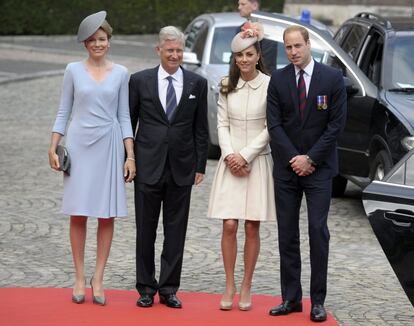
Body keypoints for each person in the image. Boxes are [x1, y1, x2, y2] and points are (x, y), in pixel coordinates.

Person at [48, 11, 135, 306]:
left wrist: (130, 155)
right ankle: (78, 276)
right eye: (92, 40)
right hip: (80, 144)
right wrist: (53, 145)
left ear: (109, 42)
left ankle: (98, 277)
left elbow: (124, 116)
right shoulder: (72, 70)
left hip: (109, 145)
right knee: (78, 211)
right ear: (85, 44)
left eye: (102, 39)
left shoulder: (122, 73)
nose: (98, 44)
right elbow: (64, 110)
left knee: (106, 213)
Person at [266, 25, 346, 322]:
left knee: (317, 232)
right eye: (288, 47)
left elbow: (336, 126)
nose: (294, 52)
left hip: (319, 170)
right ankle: (291, 298)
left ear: (309, 44)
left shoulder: (332, 78)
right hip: (287, 171)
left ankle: (318, 301)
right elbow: (274, 125)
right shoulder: (278, 78)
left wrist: (310, 158)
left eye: (298, 46)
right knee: (287, 235)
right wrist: (293, 159)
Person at [129, 26, 208, 309]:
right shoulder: (139, 81)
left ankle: (169, 288)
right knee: (145, 230)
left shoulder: (196, 84)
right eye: (170, 50)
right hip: (147, 166)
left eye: (178, 51)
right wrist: (129, 159)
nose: (174, 55)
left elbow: (201, 128)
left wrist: (200, 165)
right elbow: (129, 123)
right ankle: (146, 287)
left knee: (176, 231)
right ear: (159, 50)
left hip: (181, 168)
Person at [208, 22, 275, 311]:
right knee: (229, 224)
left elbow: (271, 125)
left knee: (251, 227)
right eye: (239, 56)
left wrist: (246, 155)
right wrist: (231, 155)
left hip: (256, 160)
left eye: (249, 54)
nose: (244, 60)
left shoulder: (271, 85)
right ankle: (229, 283)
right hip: (230, 160)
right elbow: (221, 123)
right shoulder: (226, 85)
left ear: (258, 55)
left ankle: (247, 284)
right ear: (234, 58)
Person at [237, 0, 277, 72]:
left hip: (262, 77)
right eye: (239, 4)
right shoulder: (240, 28)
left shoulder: (267, 29)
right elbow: (234, 56)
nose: (239, 7)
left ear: (255, 5)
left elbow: (267, 61)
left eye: (243, 4)